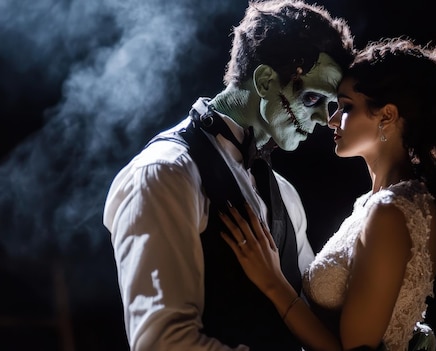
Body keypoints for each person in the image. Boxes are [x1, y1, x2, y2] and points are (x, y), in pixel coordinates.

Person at [219, 37, 436, 351]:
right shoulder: (378, 203)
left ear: (386, 115)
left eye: (346, 107)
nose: (331, 119)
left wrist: (273, 283)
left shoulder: (391, 212)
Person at [102, 1, 354, 350]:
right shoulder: (165, 173)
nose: (325, 120)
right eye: (312, 98)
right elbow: (161, 343)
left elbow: (313, 317)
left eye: (332, 105)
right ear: (266, 81)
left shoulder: (285, 194)